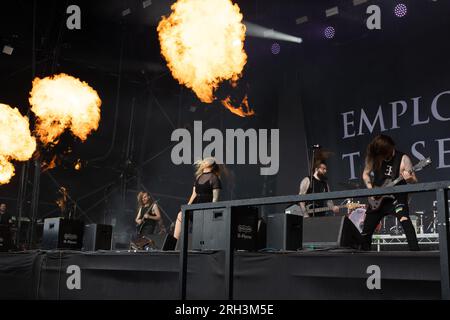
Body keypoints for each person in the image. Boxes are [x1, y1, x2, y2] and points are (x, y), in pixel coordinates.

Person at [361, 134, 419, 251]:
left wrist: (409, 178)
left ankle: (416, 254)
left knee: (406, 222)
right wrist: (370, 190)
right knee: (366, 230)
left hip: (397, 198)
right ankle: (364, 256)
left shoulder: (403, 159)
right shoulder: (374, 157)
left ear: (390, 148)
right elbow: (365, 174)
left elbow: (415, 180)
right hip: (377, 199)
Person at [173, 157, 222, 240]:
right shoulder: (199, 177)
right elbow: (194, 194)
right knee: (180, 215)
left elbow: (215, 199)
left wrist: (211, 212)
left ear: (212, 166)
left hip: (206, 208)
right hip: (196, 206)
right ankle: (174, 242)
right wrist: (186, 208)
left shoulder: (214, 178)